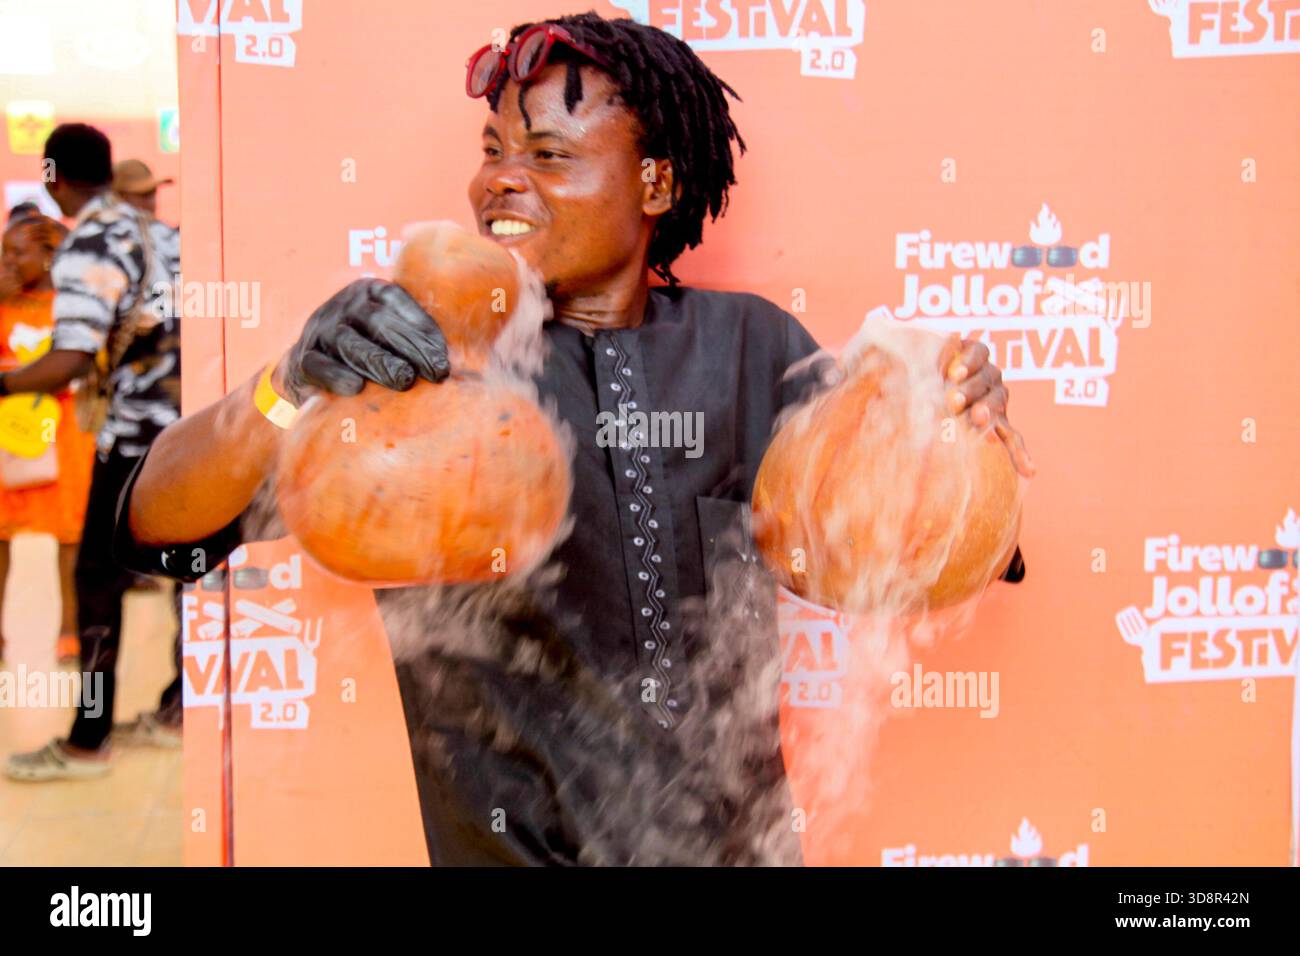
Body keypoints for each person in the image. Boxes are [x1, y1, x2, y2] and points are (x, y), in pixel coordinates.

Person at [117, 14, 1033, 863]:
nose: (499, 180)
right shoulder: (424, 363)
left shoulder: (754, 347)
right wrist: (284, 386)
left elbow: (933, 543)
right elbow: (166, 528)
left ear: (657, 183)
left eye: (548, 153)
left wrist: (951, 421)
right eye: (492, 152)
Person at [3, 123, 183, 782]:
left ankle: (88, 739)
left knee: (97, 587)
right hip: (191, 431)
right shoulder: (159, 234)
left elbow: (71, 358)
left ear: (53, 178)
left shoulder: (87, 243)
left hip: (134, 434)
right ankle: (181, 707)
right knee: (185, 573)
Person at [0, 212, 96, 664]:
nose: (9, 262)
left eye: (18, 253)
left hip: (66, 432)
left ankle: (70, 629)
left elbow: (87, 363)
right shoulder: (2, 301)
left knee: (70, 535)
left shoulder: (73, 303)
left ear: (49, 256)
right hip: (8, 435)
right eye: (5, 253)